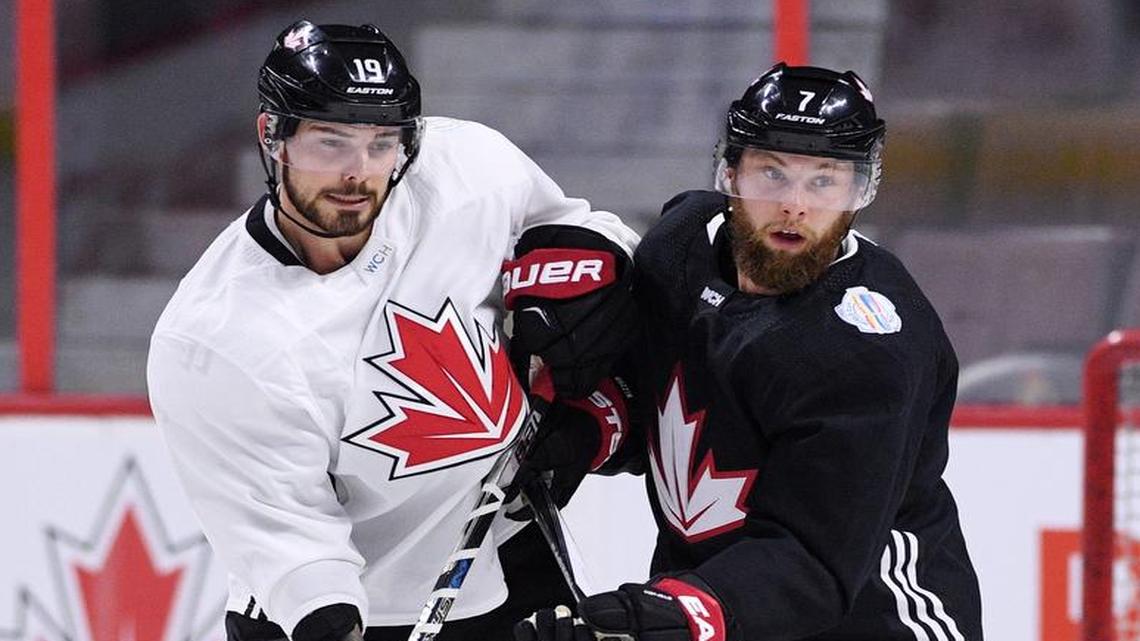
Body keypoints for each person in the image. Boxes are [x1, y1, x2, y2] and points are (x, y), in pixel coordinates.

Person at [146, 20, 639, 641]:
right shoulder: (215, 342)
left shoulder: (468, 172)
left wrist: (586, 287)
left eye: (382, 143)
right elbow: (297, 555)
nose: (358, 172)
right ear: (272, 135)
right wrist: (333, 625)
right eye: (331, 142)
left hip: (508, 551)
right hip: (362, 610)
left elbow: (584, 236)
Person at [515, 63, 984, 641]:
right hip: (724, 604)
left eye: (824, 181)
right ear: (730, 171)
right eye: (772, 173)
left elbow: (811, 562)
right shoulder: (679, 248)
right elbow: (657, 401)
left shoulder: (868, 350)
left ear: (858, 192)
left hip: (876, 620)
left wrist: (664, 618)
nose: (794, 205)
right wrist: (589, 425)